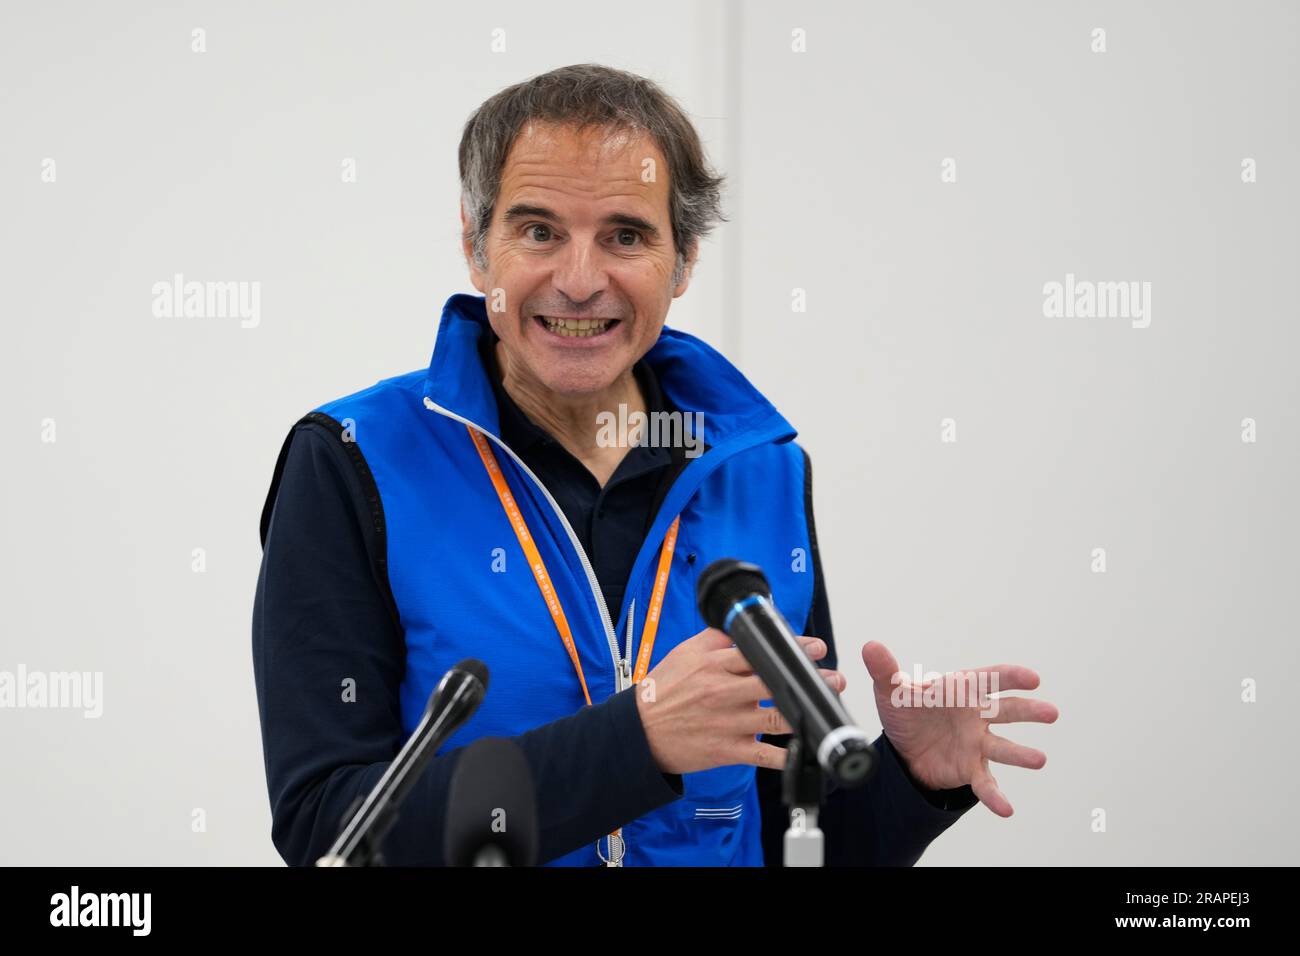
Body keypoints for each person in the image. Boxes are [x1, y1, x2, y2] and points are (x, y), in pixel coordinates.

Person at [252, 63, 1058, 867]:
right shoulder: (353, 459)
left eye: (625, 236)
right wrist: (636, 741)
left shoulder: (765, 471)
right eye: (538, 231)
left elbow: (789, 841)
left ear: (682, 261)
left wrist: (909, 781)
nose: (578, 281)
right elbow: (332, 832)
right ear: (475, 247)